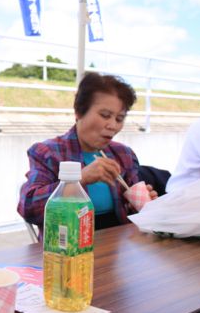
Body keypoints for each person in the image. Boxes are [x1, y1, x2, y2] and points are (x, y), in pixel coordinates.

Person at [17, 72, 157, 236]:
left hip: (118, 247)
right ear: (79, 111)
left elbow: (132, 215)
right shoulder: (48, 153)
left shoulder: (123, 154)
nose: (112, 125)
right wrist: (80, 179)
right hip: (68, 246)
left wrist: (142, 204)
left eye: (119, 118)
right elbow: (29, 208)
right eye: (105, 115)